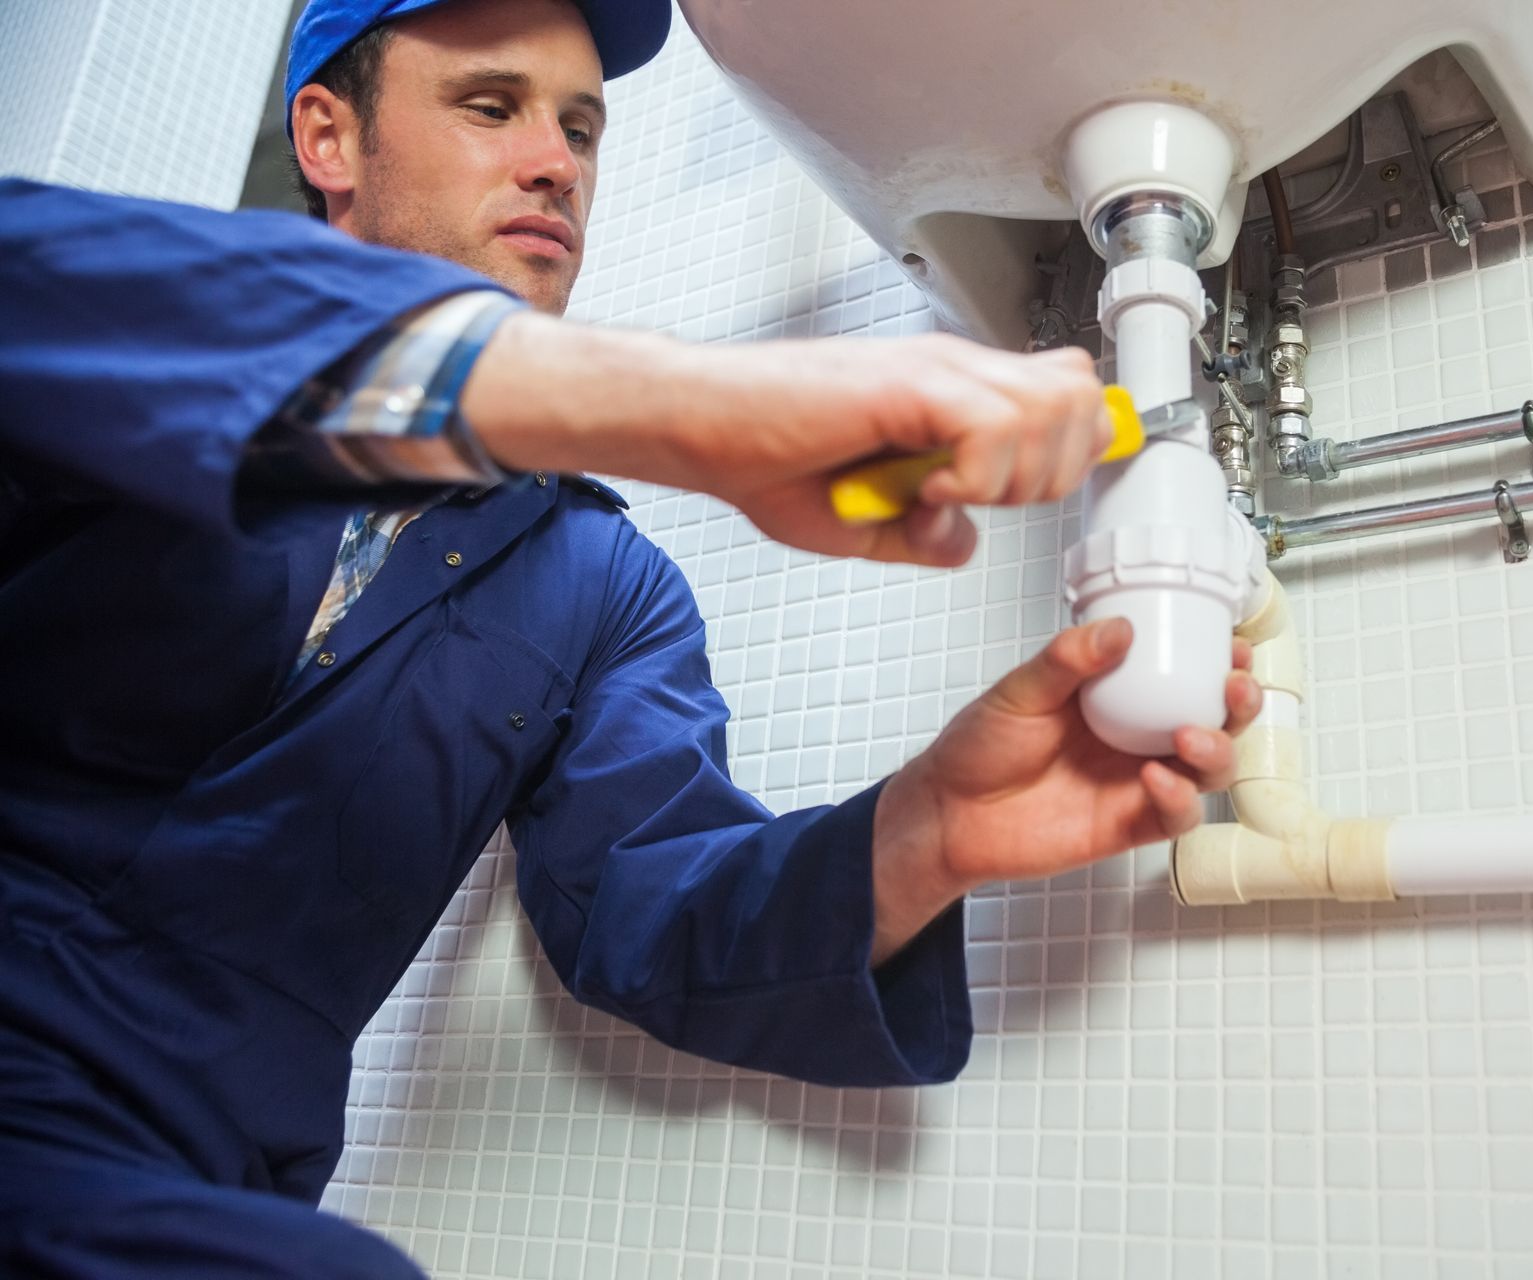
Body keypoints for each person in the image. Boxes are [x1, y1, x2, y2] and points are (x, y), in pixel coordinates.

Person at [0, 0, 1261, 1273]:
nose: (558, 161)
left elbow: (654, 906)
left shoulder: (602, 584)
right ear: (327, 134)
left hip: (177, 1175)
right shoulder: (133, 346)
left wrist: (924, 831)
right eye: (492, 107)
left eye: (583, 127)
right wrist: (678, 405)